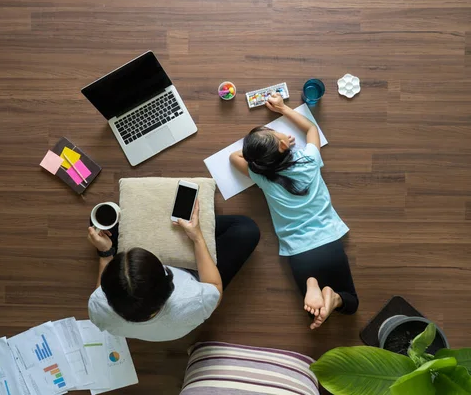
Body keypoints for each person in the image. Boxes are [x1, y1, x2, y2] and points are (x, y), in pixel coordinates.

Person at [230, 92, 358, 329]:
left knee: (322, 313)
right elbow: (311, 129)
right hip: (328, 240)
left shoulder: (262, 177)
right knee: (351, 306)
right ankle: (332, 295)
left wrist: (264, 156)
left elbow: (234, 156)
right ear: (282, 144)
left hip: (299, 252)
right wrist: (283, 109)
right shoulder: (309, 160)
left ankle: (321, 289)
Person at [87, 200, 260, 341]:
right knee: (247, 229)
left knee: (98, 223)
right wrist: (197, 237)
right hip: (193, 275)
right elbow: (215, 287)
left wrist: (105, 254)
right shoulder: (194, 300)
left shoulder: (97, 310)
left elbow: (97, 293)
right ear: (168, 280)